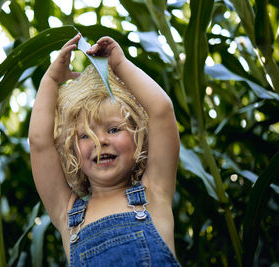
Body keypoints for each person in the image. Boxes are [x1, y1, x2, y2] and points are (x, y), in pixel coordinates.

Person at [29, 33, 180, 266]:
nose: (100, 140)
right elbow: (39, 143)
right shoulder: (67, 214)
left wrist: (119, 64)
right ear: (73, 151)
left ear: (137, 138)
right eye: (85, 135)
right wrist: (50, 80)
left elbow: (161, 111)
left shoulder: (154, 193)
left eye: (113, 130)